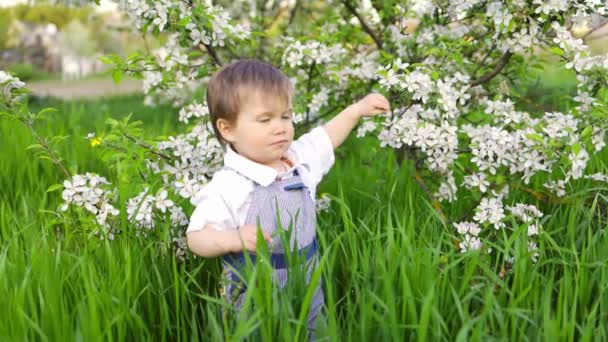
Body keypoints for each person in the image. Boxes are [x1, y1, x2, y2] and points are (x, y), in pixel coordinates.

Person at [186, 59, 390, 337]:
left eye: (286, 116)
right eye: (265, 119)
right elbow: (196, 236)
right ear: (228, 129)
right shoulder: (230, 183)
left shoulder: (297, 160)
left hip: (307, 284)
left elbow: (327, 137)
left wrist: (357, 110)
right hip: (255, 295)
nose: (280, 127)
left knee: (313, 331)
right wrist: (232, 239)